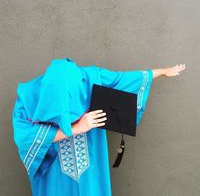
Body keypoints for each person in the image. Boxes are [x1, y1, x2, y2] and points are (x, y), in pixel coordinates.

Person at [12, 58, 186, 196]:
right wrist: (76, 128)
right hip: (53, 176)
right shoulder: (28, 97)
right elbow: (25, 139)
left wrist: (162, 72)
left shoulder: (91, 78)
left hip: (91, 170)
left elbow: (124, 80)